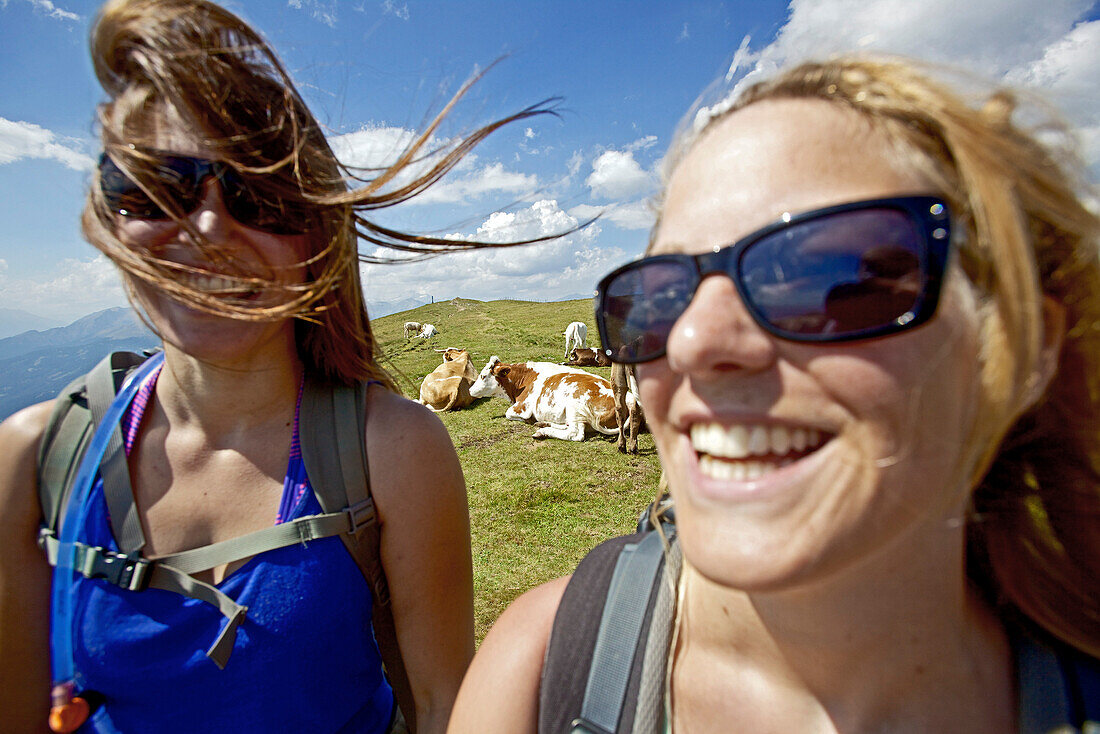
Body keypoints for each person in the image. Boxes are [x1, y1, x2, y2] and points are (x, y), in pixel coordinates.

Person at [447, 55, 1100, 732]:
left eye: (825, 274)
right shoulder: (541, 670)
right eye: (659, 297)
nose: (694, 340)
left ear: (1023, 348)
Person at [0, 0, 559, 732]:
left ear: (317, 238)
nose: (206, 229)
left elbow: (440, 708)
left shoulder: (395, 453)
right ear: (107, 220)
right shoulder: (35, 460)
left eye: (259, 194)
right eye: (153, 187)